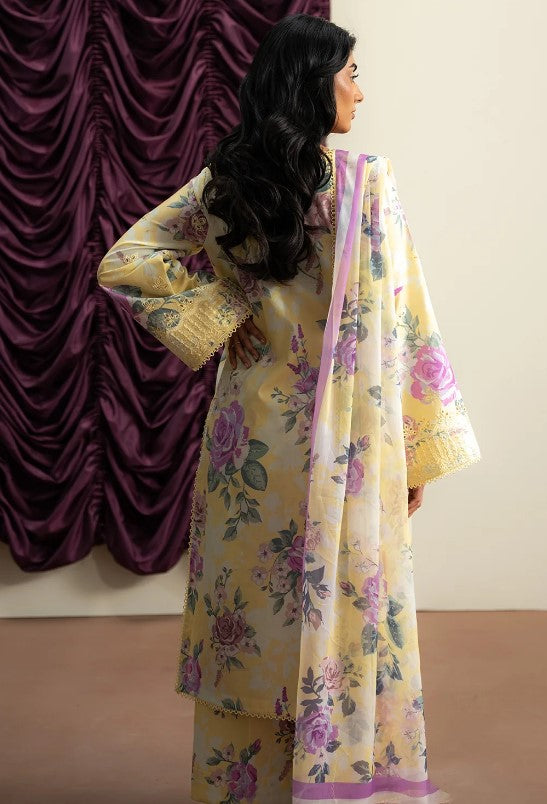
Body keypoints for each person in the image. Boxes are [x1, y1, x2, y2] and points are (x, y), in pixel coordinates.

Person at [97, 12, 480, 804]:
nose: (360, 94)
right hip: (351, 443)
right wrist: (414, 448)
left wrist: (219, 310)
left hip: (253, 442)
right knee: (341, 609)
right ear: (314, 84)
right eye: (350, 77)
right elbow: (406, 320)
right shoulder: (366, 183)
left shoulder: (228, 179)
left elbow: (128, 260)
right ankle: (334, 779)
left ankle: (245, 788)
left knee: (252, 616)